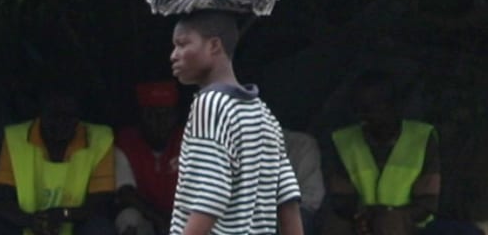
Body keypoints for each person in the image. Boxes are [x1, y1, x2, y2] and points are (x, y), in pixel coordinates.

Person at [166, 13, 300, 235]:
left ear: (214, 45)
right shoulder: (262, 112)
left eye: (182, 44)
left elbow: (211, 195)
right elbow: (288, 198)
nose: (173, 55)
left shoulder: (209, 104)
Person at [322, 76, 438, 235]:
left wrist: (390, 217)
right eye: (362, 108)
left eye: (376, 105)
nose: (367, 114)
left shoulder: (422, 137)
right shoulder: (344, 141)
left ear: (394, 105)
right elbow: (341, 200)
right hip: (359, 224)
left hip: (411, 226)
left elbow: (427, 203)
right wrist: (364, 217)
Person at [0, 92, 114, 235]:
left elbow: (101, 204)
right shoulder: (15, 138)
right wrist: (31, 221)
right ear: (40, 113)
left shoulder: (100, 139)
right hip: (26, 223)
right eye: (54, 116)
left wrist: (63, 214)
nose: (61, 122)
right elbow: (0, 199)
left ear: (79, 116)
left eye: (69, 117)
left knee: (101, 228)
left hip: (75, 224)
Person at [113, 84, 183, 235]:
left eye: (166, 114)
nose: (160, 121)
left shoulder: (190, 140)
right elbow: (126, 193)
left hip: (182, 217)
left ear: (175, 116)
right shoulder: (126, 141)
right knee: (129, 217)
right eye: (152, 114)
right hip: (147, 218)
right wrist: (160, 219)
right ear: (140, 116)